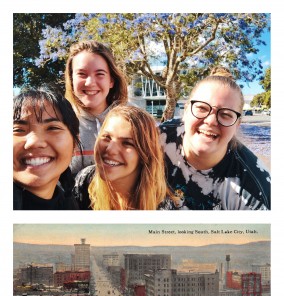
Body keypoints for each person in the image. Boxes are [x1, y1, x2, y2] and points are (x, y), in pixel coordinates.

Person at [159, 66, 271, 210]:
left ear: (237, 124)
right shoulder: (156, 139)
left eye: (225, 114)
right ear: (186, 111)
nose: (211, 121)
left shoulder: (255, 192)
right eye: (202, 108)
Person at [73, 105, 182, 210]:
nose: (110, 149)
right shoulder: (84, 182)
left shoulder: (164, 209)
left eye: (127, 143)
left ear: (145, 154)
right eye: (107, 137)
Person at [65, 40, 128, 175]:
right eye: (82, 74)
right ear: (71, 79)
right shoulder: (60, 124)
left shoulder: (132, 123)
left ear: (111, 81)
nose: (90, 82)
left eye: (100, 74)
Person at [13, 86, 81, 210]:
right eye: (18, 130)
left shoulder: (70, 205)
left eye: (52, 128)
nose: (34, 142)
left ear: (74, 144)